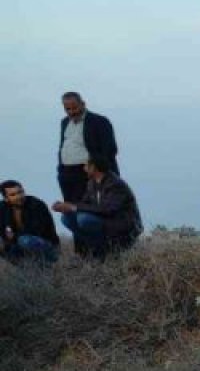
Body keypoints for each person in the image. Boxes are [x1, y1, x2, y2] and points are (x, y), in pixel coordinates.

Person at [52, 155, 142, 257]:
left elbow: (108, 209)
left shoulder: (115, 184)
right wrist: (66, 206)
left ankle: (108, 250)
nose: (84, 168)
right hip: (106, 223)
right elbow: (85, 204)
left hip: (121, 227)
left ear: (93, 167)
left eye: (86, 165)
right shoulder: (92, 184)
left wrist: (73, 207)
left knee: (84, 219)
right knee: (67, 218)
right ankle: (99, 250)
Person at [56, 92, 118, 232]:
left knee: (87, 211)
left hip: (87, 173)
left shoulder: (99, 121)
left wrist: (97, 170)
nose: (72, 112)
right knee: (70, 212)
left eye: (74, 107)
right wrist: (60, 169)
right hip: (67, 174)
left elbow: (109, 149)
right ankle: (80, 245)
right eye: (67, 109)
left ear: (83, 104)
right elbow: (64, 146)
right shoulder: (64, 122)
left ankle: (98, 243)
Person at [1, 180, 60, 262]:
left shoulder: (36, 205)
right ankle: (24, 265)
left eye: (20, 192)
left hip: (47, 246)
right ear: (6, 198)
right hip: (18, 244)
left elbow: (36, 231)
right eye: (13, 195)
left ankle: (46, 262)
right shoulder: (3, 208)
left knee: (24, 240)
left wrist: (14, 236)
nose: (19, 196)